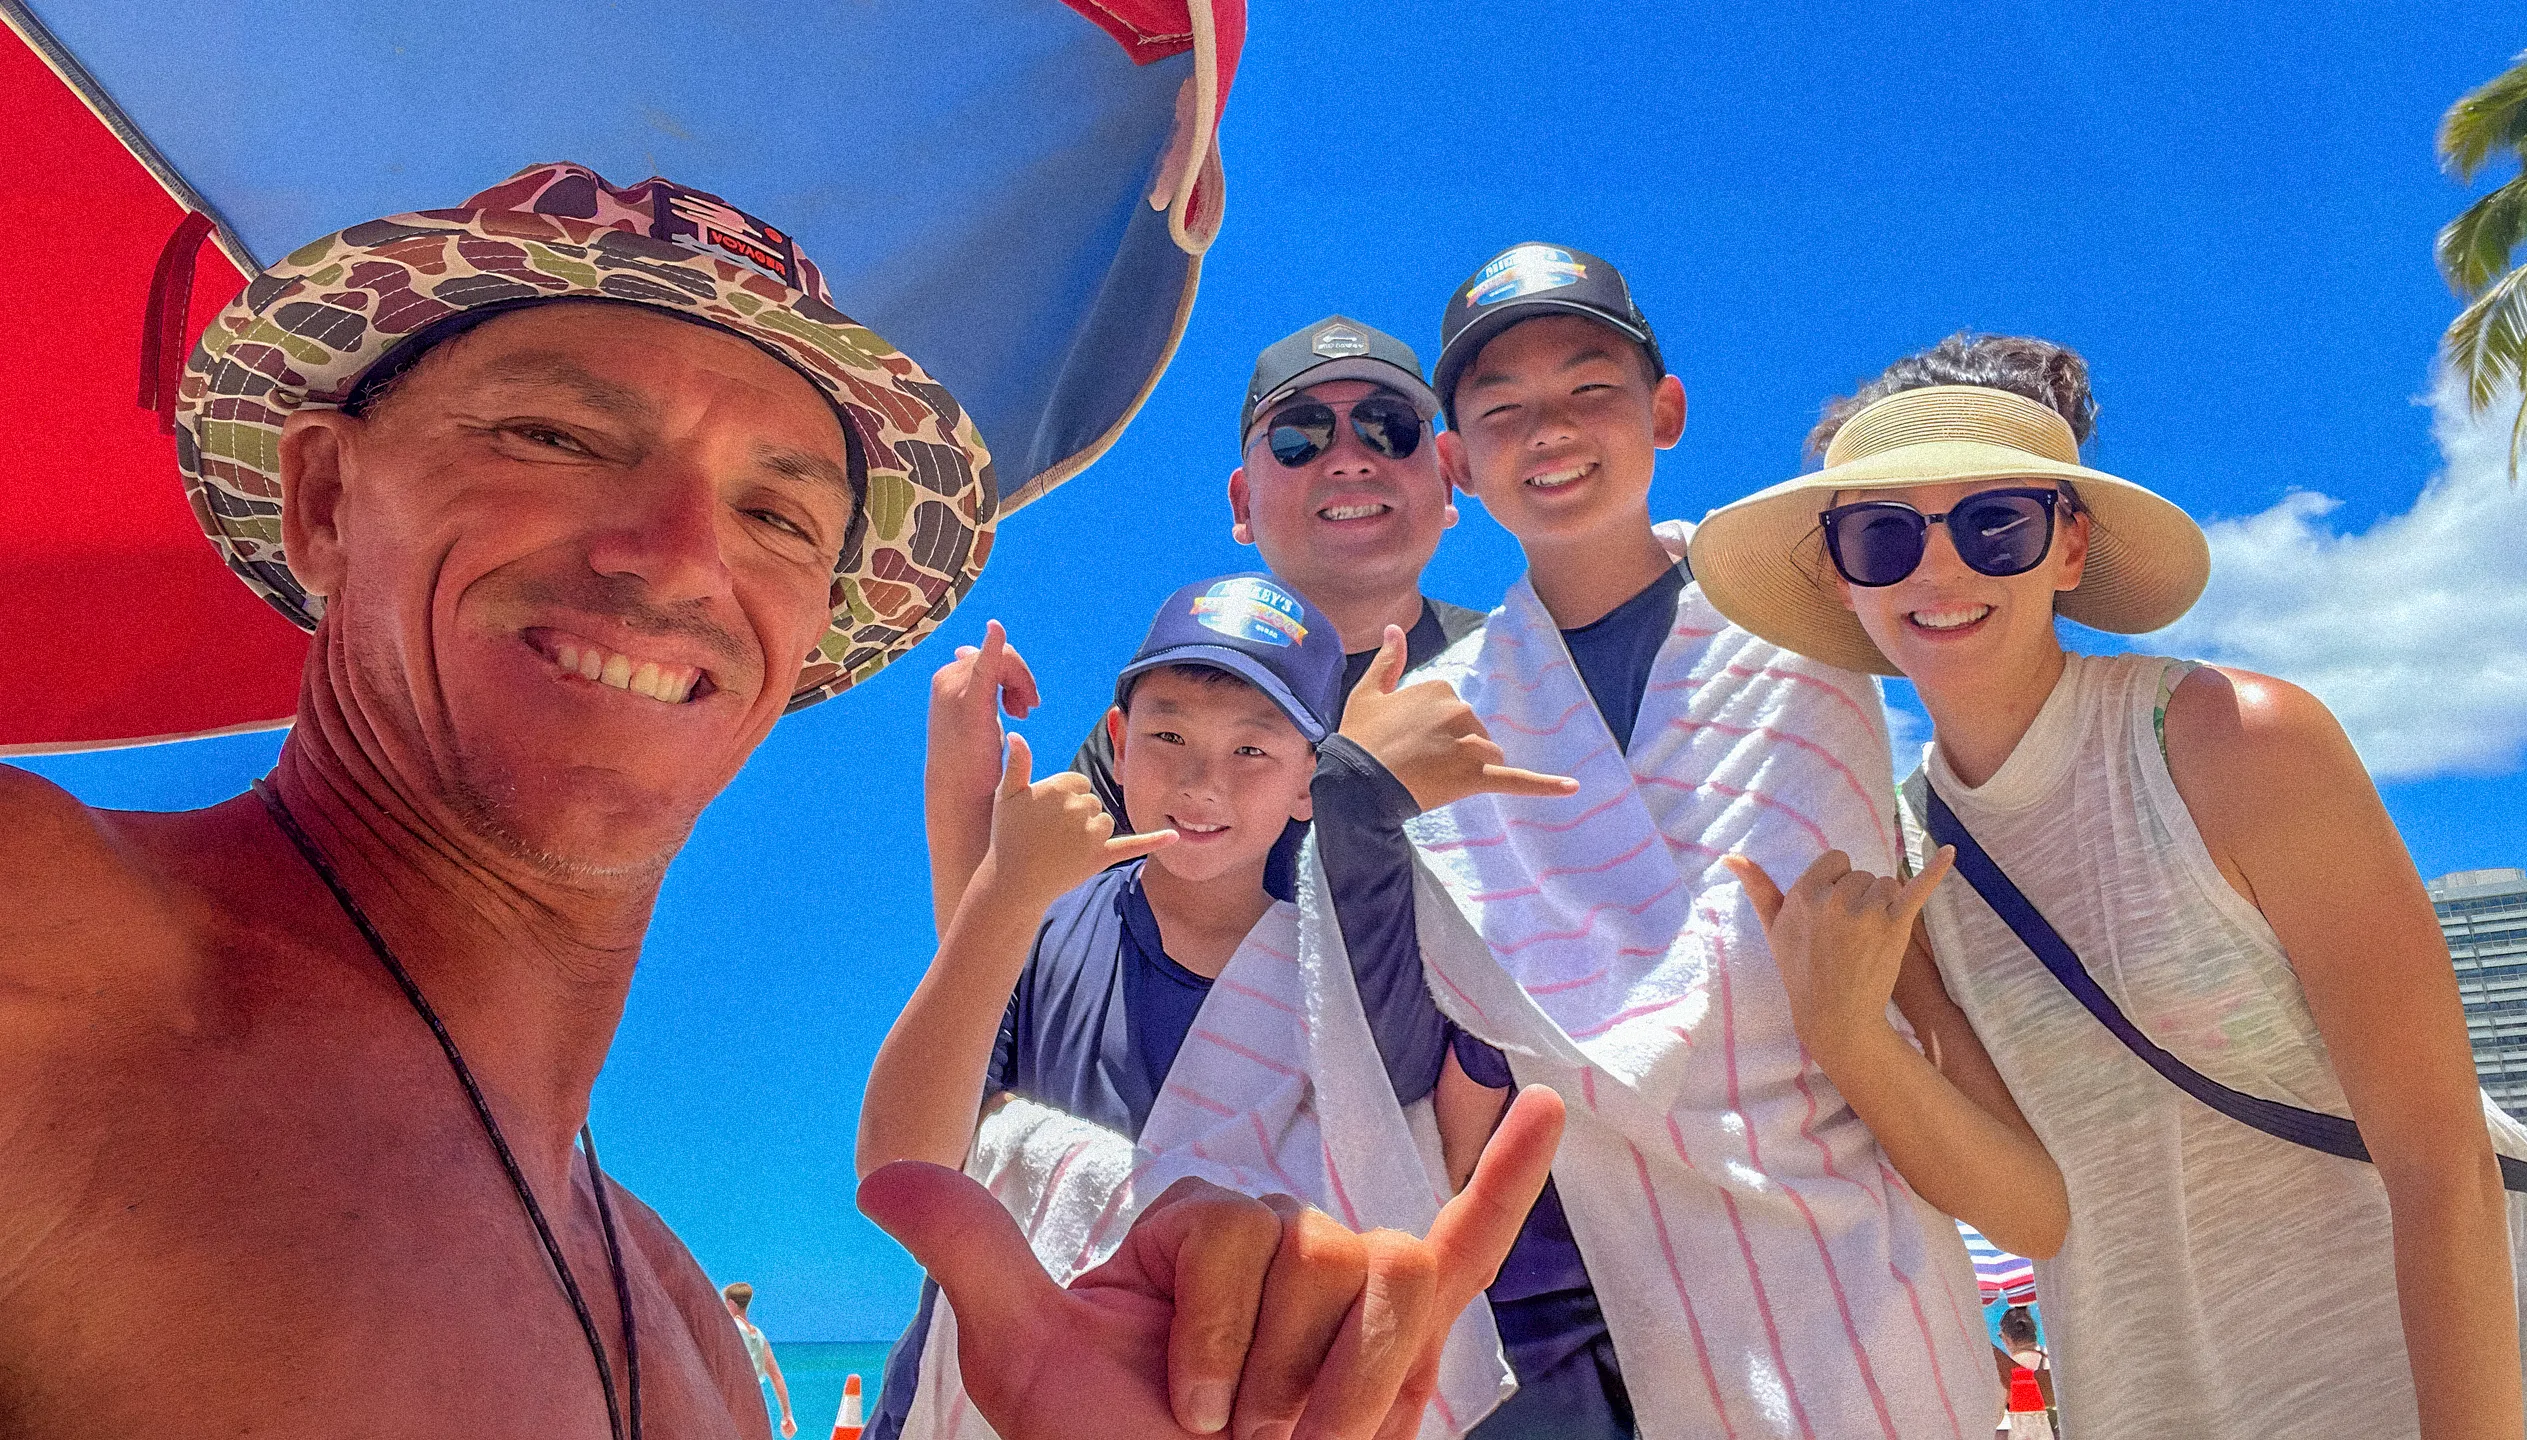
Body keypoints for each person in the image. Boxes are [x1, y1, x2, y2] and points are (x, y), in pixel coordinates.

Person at [0, 164, 1562, 1440]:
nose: (679, 554)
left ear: (810, 628)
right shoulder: (48, 965)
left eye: (774, 510)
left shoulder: (681, 1338)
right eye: (552, 434)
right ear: (328, 501)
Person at [1688, 332, 2527, 1438]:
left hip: (2455, 1378)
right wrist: (1847, 1036)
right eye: (1884, 533)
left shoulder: (2232, 743)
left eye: (1994, 522)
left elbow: (2438, 1160)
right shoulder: (1901, 850)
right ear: (1843, 575)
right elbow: (2039, 1210)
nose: (1938, 568)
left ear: (2068, 546)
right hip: (2161, 1395)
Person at [1313, 243, 2046, 1438]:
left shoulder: (1811, 627)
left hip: (1853, 1249)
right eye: (1502, 410)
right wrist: (1356, 793)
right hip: (1598, 1280)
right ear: (1455, 464)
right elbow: (1404, 1016)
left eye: (1589, 390)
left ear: (1665, 411)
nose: (1549, 429)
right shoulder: (1444, 710)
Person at [864, 572, 1576, 1438]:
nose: (1204, 782)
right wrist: (1002, 883)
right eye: (1168, 735)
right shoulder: (1043, 916)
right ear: (1117, 744)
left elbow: (1432, 1147)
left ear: (1310, 780)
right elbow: (910, 1162)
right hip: (1003, 1389)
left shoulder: (1359, 966)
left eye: (1253, 751)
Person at [926, 316, 1482, 927]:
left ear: (1448, 485)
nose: (1349, 460)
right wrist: (963, 786)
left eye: (1390, 430)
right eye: (1300, 437)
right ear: (1242, 504)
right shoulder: (1171, 698)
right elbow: (1016, 982)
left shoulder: (1528, 670)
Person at [724, 1283, 799, 1438]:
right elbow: (776, 1376)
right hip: (756, 1400)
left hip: (733, 1400)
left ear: (730, 1304)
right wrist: (787, 1413)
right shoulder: (758, 1335)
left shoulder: (730, 1329)